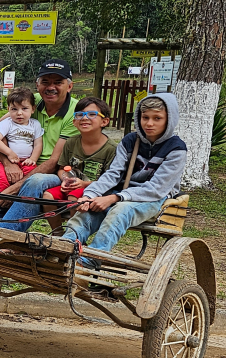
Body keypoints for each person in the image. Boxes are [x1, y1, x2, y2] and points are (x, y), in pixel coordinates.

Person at [59, 93, 187, 264]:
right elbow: (113, 174)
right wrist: (89, 195)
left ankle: (92, 259)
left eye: (157, 118)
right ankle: (65, 248)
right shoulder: (130, 141)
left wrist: (114, 197)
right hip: (122, 191)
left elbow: (157, 188)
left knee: (120, 211)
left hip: (152, 197)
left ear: (169, 119)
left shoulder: (176, 148)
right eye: (145, 117)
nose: (149, 123)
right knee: (86, 212)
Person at [0, 59, 80, 230]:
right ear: (37, 84)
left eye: (58, 82)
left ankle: (5, 234)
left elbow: (55, 160)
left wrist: (15, 188)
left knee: (35, 182)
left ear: (69, 86)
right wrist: (8, 163)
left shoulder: (75, 111)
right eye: (45, 82)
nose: (51, 87)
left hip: (53, 174)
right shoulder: (29, 101)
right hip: (17, 166)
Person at [42, 96, 116, 233]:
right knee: (47, 196)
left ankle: (74, 234)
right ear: (74, 121)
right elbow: (61, 168)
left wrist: (83, 184)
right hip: (72, 186)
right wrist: (65, 179)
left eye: (92, 114)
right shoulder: (71, 142)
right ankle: (57, 232)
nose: (84, 118)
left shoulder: (111, 149)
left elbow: (110, 181)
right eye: (80, 114)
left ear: (104, 121)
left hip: (94, 189)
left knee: (73, 197)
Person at [0, 87, 43, 192]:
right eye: (14, 109)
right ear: (8, 109)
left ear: (33, 109)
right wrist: (9, 153)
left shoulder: (35, 124)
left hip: (27, 161)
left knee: (30, 181)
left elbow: (38, 144)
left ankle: (21, 201)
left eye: (24, 108)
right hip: (7, 160)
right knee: (2, 181)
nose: (19, 113)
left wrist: (33, 159)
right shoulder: (7, 123)